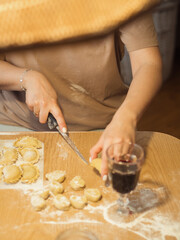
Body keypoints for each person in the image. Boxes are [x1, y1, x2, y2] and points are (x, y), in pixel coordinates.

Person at [0, 12, 162, 181]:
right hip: (16, 122)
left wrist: (126, 118)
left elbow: (148, 63)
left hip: (105, 128)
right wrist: (25, 78)